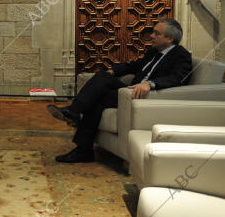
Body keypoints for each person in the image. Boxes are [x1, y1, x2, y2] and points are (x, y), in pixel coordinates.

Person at [47, 18, 192, 163]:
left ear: (169, 38)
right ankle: (83, 149)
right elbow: (134, 66)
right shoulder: (154, 52)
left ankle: (74, 115)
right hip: (128, 92)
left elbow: (177, 78)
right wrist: (113, 71)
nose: (152, 36)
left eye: (156, 33)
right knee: (101, 84)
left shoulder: (182, 56)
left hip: (145, 97)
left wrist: (150, 84)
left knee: (98, 94)